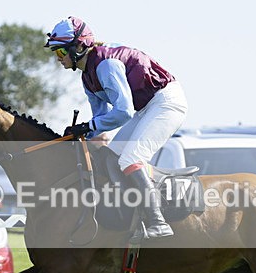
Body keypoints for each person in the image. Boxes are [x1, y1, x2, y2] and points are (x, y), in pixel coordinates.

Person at [45, 16, 188, 240]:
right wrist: (81, 133)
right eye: (55, 53)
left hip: (166, 102)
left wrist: (89, 126)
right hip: (145, 108)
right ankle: (131, 217)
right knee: (111, 157)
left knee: (131, 158)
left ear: (79, 46)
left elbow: (123, 112)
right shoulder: (87, 77)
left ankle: (157, 221)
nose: (58, 59)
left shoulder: (106, 65)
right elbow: (102, 119)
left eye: (61, 52)